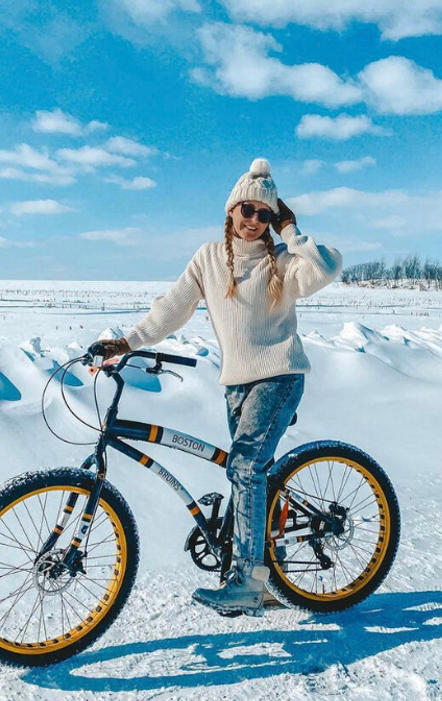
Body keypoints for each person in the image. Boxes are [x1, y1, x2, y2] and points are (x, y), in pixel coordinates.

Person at [91, 158, 342, 617]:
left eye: (264, 214)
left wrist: (292, 231)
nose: (253, 221)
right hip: (236, 386)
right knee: (248, 472)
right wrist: (127, 342)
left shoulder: (282, 262)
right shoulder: (208, 258)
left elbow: (325, 267)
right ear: (230, 210)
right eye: (246, 210)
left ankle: (246, 580)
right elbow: (173, 308)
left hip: (280, 376)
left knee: (245, 467)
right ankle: (269, 573)